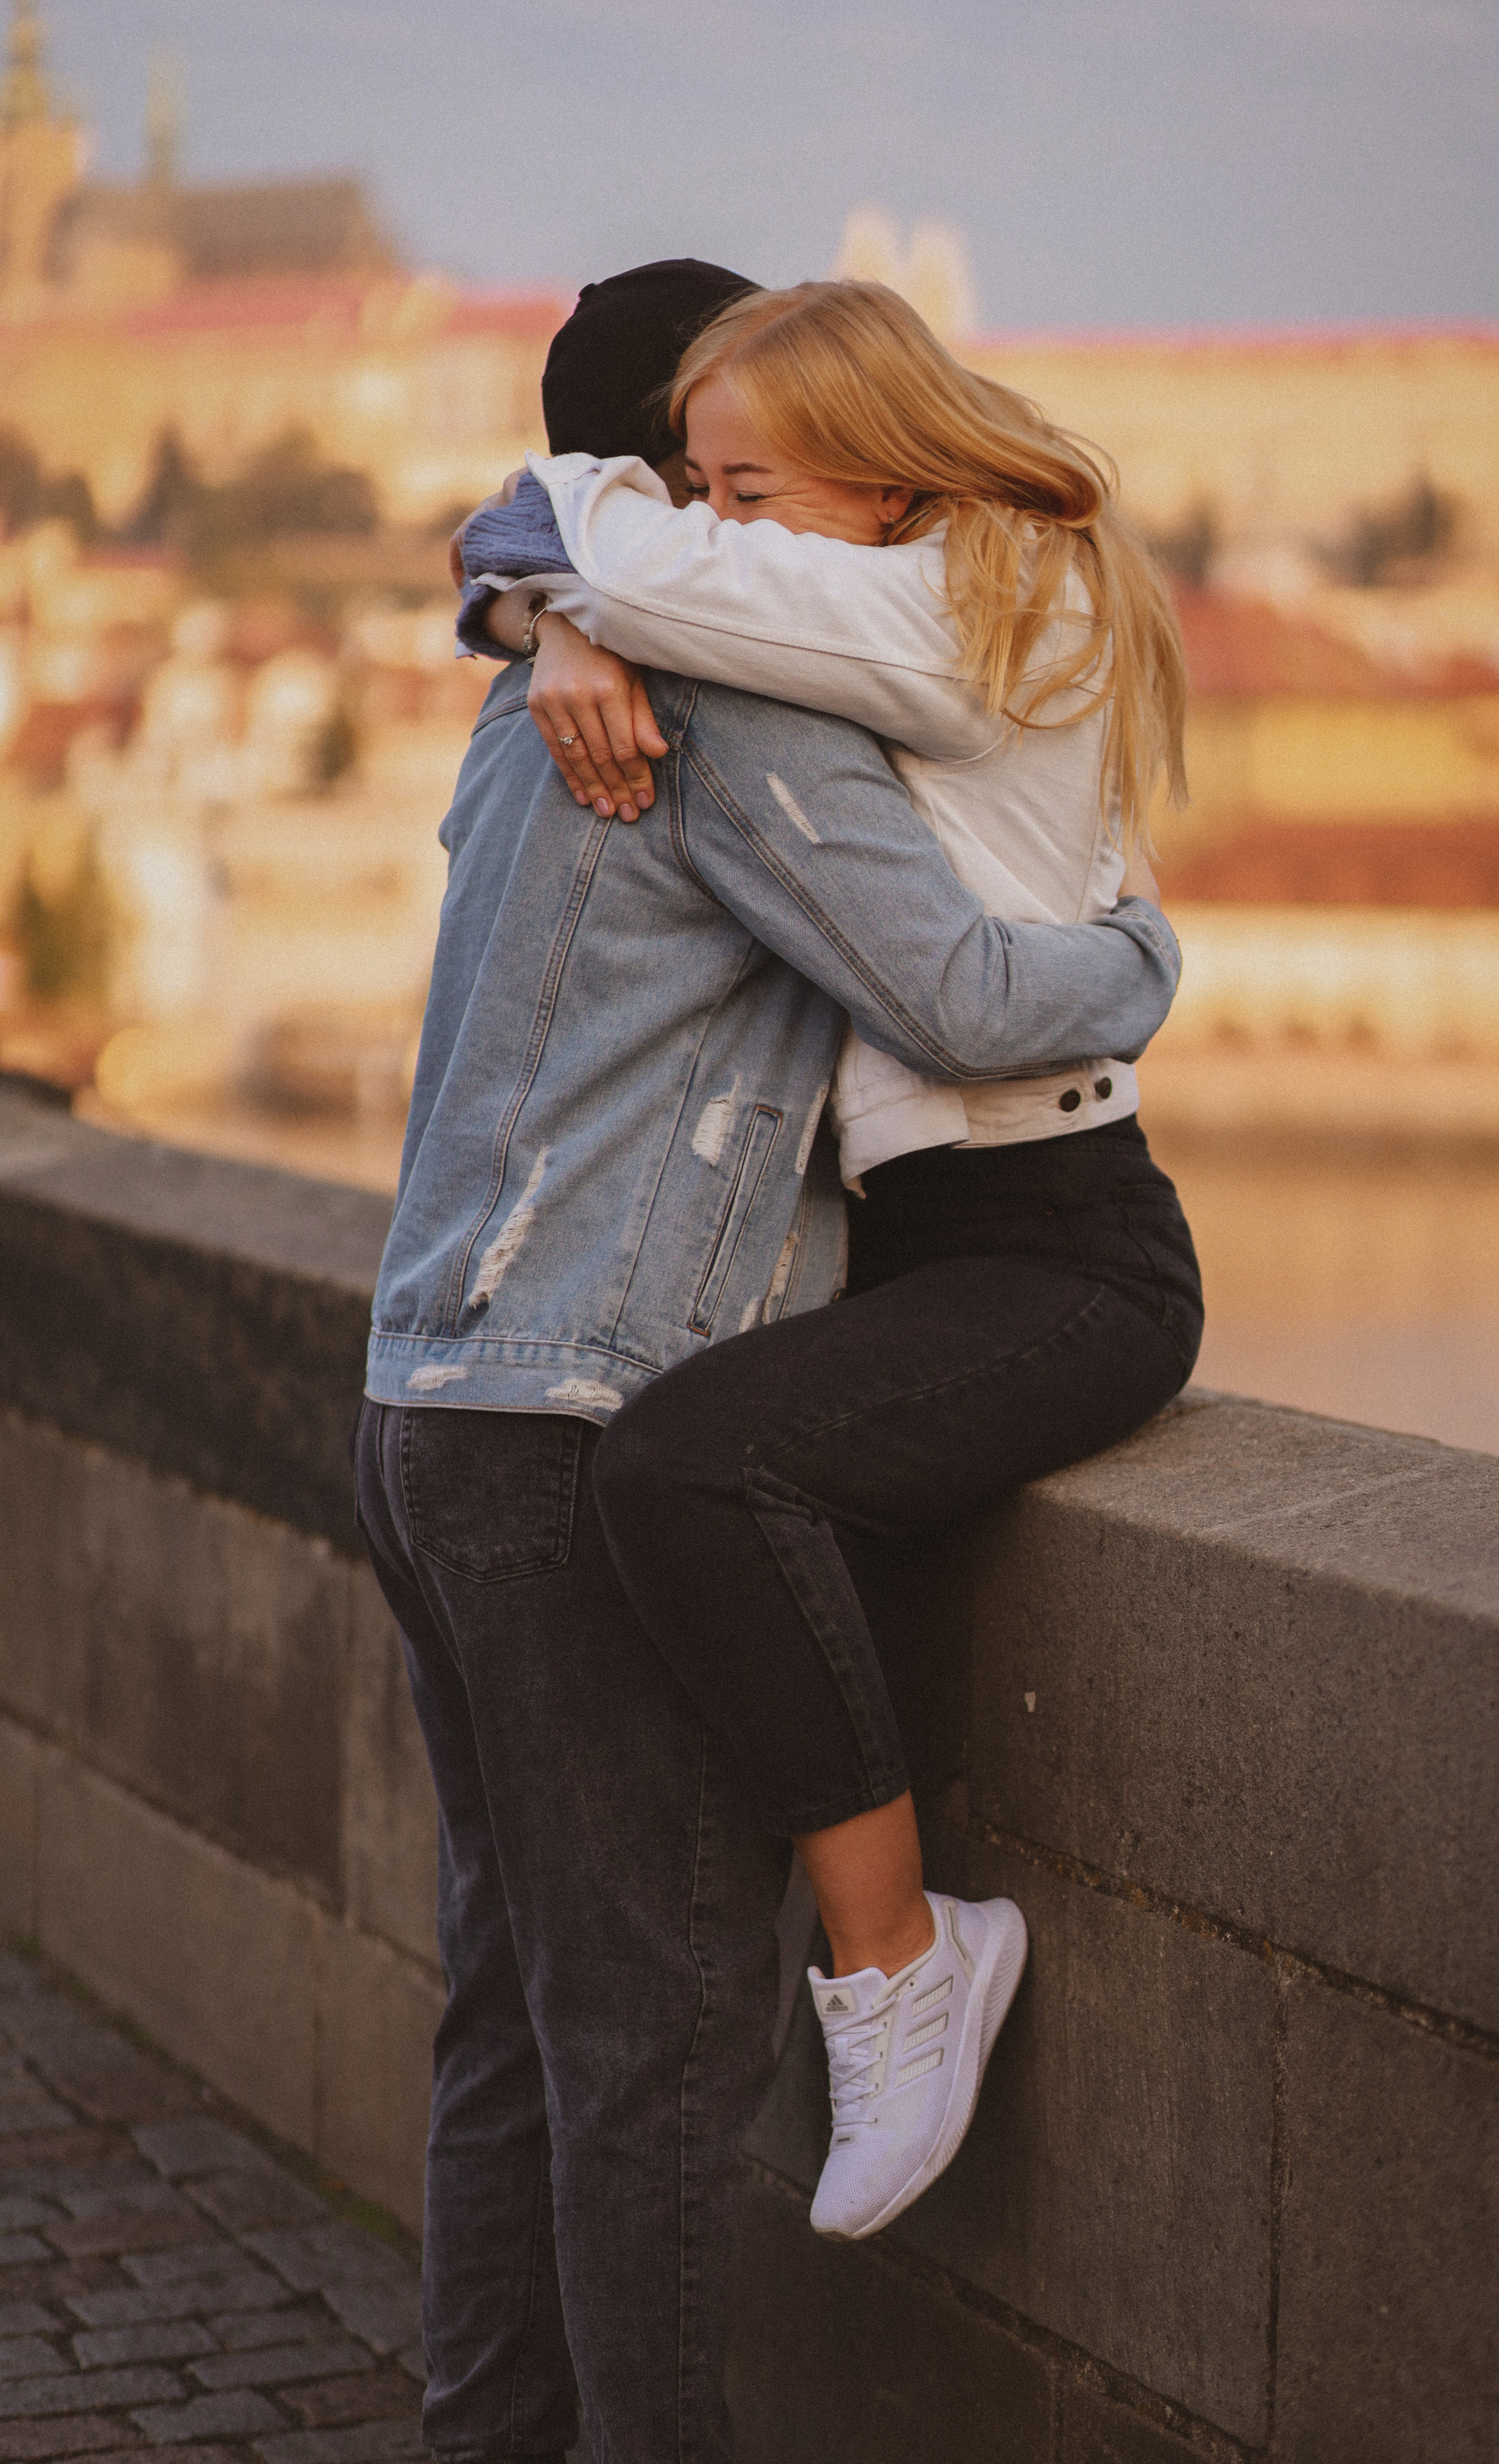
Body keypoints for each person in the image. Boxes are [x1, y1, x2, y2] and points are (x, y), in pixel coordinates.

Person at [356, 259, 1183, 2464]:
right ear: (664, 496)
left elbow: (519, 555)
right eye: (712, 486)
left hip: (420, 1399)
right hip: (566, 1411)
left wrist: (542, 610)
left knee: (514, 2014)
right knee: (648, 2041)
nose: (746, 534)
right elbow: (961, 998)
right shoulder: (721, 703)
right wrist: (1142, 948)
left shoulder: (526, 706)